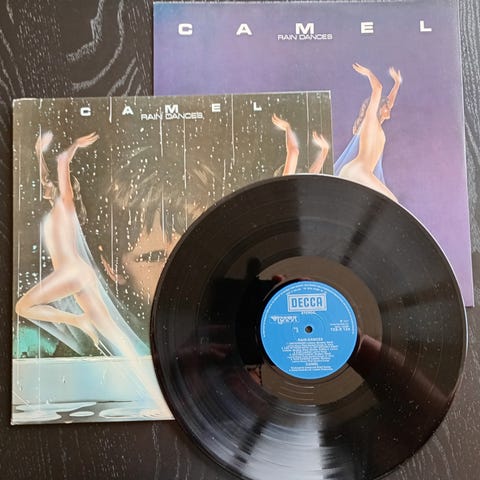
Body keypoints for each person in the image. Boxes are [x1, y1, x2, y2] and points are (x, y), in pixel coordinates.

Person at [15, 132, 147, 358]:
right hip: (77, 274)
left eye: (49, 184)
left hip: (71, 273)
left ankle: (77, 320)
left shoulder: (66, 205)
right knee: (109, 327)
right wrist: (38, 154)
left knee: (22, 307)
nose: (44, 185)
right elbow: (44, 177)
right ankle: (142, 363)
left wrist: (74, 146)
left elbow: (62, 162)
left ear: (60, 187)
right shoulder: (55, 208)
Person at [334, 64, 402, 201]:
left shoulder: (377, 125)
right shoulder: (370, 120)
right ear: (379, 107)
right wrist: (369, 73)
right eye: (386, 107)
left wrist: (397, 84)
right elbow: (378, 88)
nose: (389, 108)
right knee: (392, 201)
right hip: (358, 171)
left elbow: (390, 102)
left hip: (360, 172)